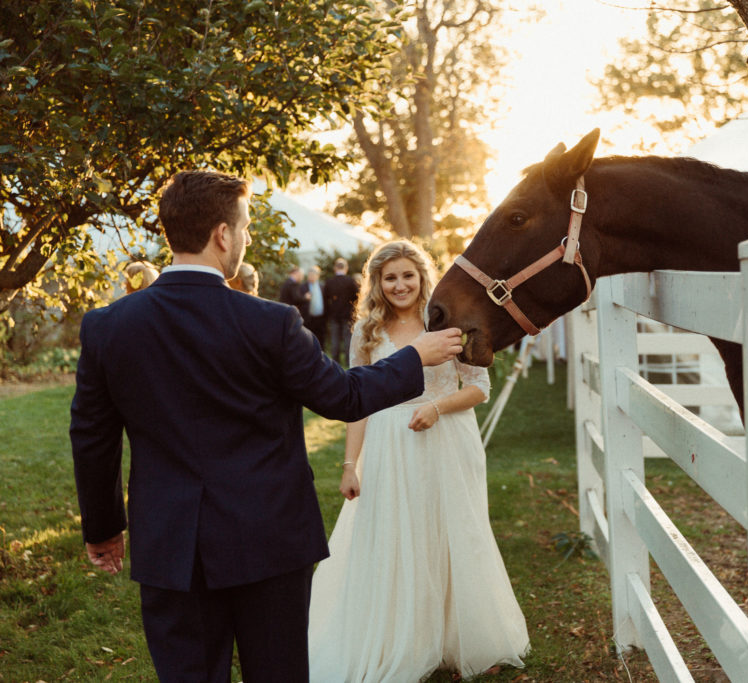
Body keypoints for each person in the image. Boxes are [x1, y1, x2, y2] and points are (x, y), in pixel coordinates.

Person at [69, 171, 465, 683]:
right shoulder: (271, 323)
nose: (247, 237)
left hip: (169, 543)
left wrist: (103, 529)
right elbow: (343, 397)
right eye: (246, 227)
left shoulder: (108, 326)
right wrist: (414, 358)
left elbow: (92, 436)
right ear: (222, 235)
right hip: (270, 537)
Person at [308, 240, 529, 682]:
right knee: (397, 535)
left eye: (408, 275)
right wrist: (351, 465)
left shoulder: (446, 323)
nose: (400, 284)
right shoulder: (367, 331)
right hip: (390, 447)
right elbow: (358, 404)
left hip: (446, 439)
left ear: (422, 276)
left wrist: (437, 407)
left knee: (453, 532)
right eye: (390, 277)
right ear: (377, 283)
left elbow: (478, 388)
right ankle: (403, 636)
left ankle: (467, 637)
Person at [323, 256, 359, 366]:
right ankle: (349, 363)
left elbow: (325, 299)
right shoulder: (350, 281)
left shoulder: (329, 282)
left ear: (335, 268)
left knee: (335, 341)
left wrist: (328, 313)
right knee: (348, 340)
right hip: (348, 315)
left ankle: (335, 364)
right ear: (346, 268)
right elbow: (358, 297)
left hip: (334, 315)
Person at [303, 264, 327, 346]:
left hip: (321, 318)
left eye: (314, 274)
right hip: (308, 319)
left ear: (318, 276)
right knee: (309, 340)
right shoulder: (303, 287)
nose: (312, 276)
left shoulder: (322, 286)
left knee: (321, 340)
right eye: (311, 274)